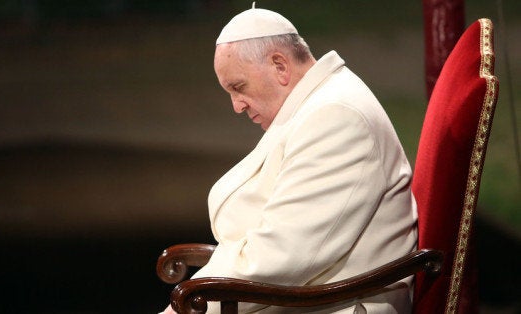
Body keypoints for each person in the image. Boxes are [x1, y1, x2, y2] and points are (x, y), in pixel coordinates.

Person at [161, 3, 417, 314]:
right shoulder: (315, 104)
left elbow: (281, 258)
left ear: (280, 66)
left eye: (238, 87)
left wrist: (186, 309)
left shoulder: (336, 115)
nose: (237, 106)